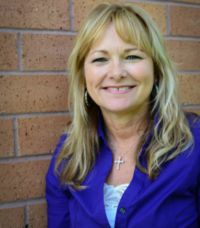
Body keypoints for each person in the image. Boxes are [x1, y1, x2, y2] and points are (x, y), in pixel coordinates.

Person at [45, 2, 200, 227]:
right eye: (100, 59)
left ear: (156, 70)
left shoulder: (194, 144)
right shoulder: (69, 154)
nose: (116, 72)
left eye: (132, 57)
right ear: (83, 77)